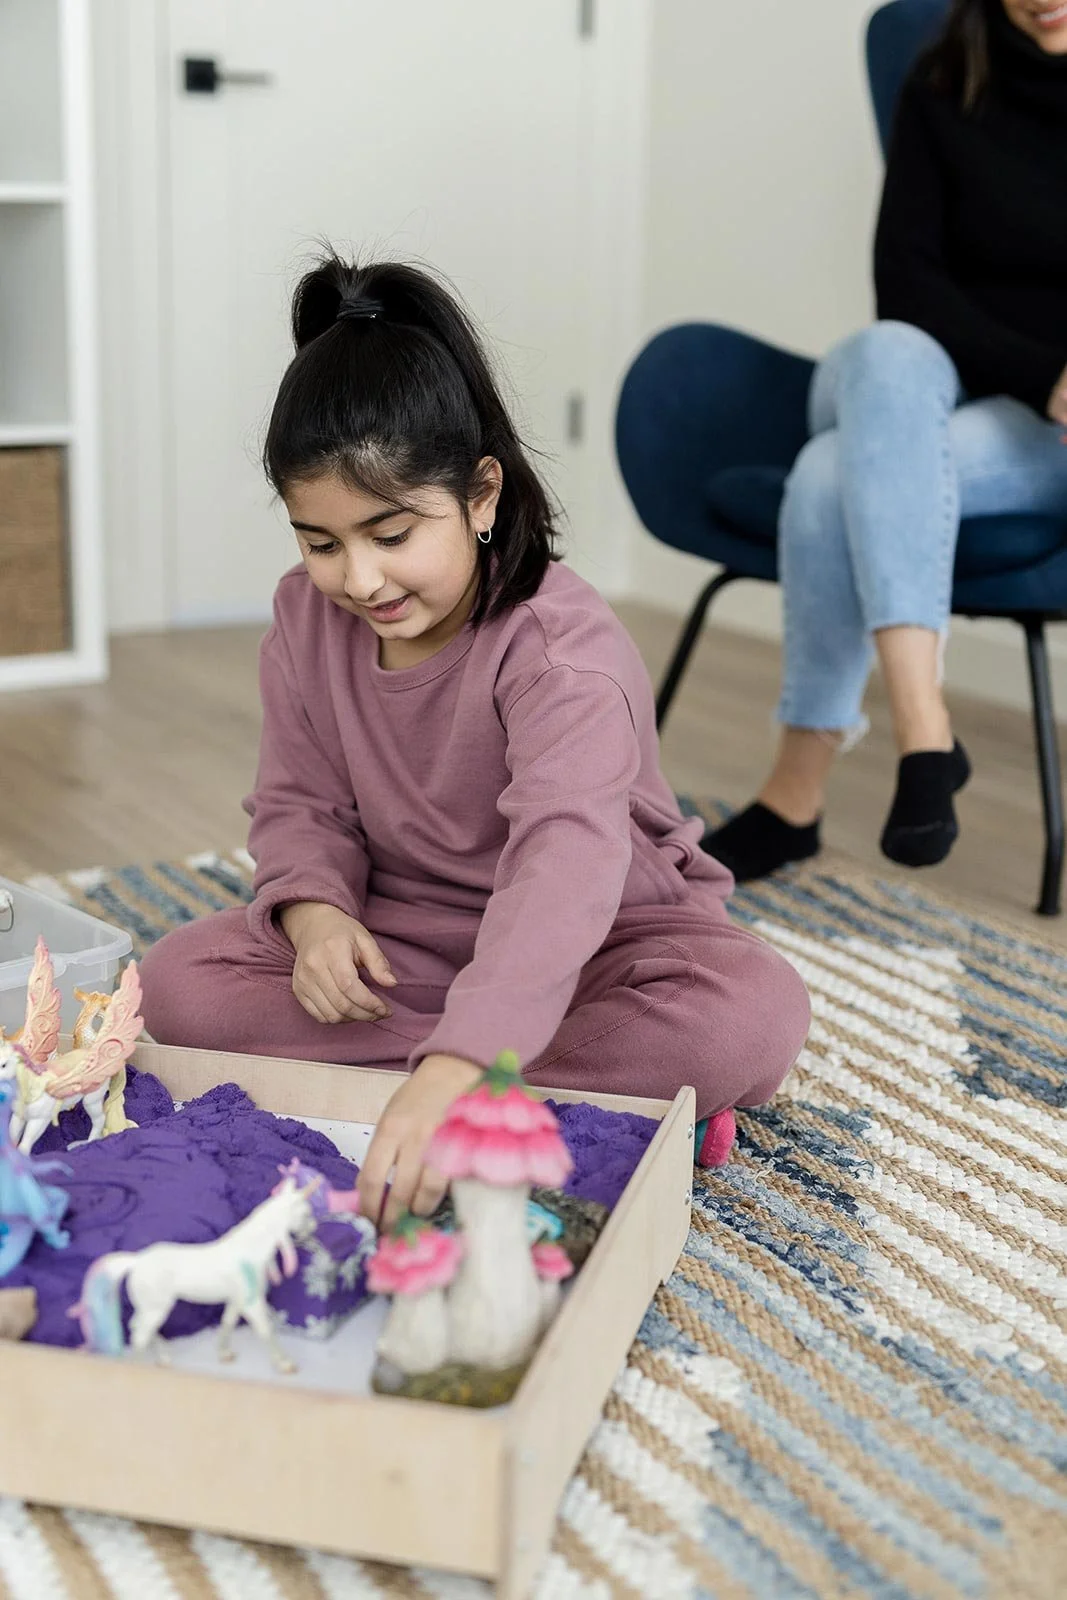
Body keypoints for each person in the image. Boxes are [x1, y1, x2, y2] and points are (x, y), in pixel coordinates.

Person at [139, 256, 810, 1227]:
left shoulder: (560, 654)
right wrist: (315, 917)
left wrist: (460, 1057)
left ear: (482, 494)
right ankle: (568, 1113)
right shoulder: (302, 620)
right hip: (403, 940)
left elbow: (565, 867)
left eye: (391, 535)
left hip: (597, 938)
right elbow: (299, 803)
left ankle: (436, 1089)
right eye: (320, 543)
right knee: (177, 985)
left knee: (745, 1011)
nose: (360, 580)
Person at [705, 0, 1067, 883]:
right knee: (884, 350)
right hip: (925, 386)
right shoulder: (942, 83)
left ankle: (794, 796)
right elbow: (906, 283)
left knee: (829, 474)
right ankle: (922, 728)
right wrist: (1038, 371)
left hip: (1048, 434)